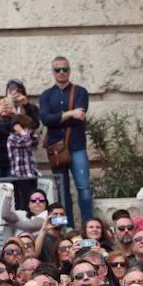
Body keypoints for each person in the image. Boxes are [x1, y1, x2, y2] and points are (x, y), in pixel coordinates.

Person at [39, 55, 91, 226]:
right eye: (57, 69)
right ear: (53, 72)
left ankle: (88, 226)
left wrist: (59, 118)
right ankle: (65, 229)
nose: (61, 72)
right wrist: (70, 113)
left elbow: (80, 116)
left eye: (65, 69)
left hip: (76, 146)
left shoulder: (80, 91)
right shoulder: (46, 95)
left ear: (70, 71)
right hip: (56, 149)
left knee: (83, 189)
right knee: (62, 191)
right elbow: (46, 119)